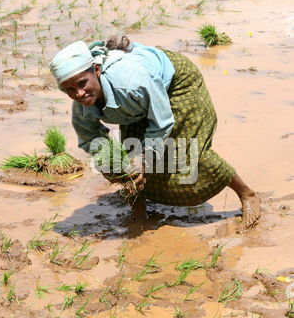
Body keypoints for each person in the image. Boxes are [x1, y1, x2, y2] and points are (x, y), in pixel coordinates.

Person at [49, 36, 260, 229]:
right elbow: (91, 138)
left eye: (82, 83)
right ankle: (139, 216)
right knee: (127, 157)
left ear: (96, 70)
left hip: (175, 83)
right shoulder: (82, 106)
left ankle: (247, 194)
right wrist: (110, 162)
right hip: (137, 103)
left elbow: (162, 122)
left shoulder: (132, 83)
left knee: (189, 153)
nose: (78, 93)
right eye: (69, 89)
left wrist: (144, 158)